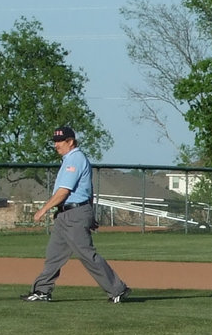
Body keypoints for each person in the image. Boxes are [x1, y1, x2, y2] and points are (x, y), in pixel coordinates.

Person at [21, 125, 131, 303]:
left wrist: (44, 209)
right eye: (55, 141)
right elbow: (88, 189)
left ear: (70, 141)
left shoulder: (75, 159)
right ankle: (42, 291)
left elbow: (64, 191)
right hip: (66, 214)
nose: (56, 145)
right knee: (53, 255)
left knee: (86, 254)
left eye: (60, 141)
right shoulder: (69, 159)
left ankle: (118, 289)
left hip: (74, 213)